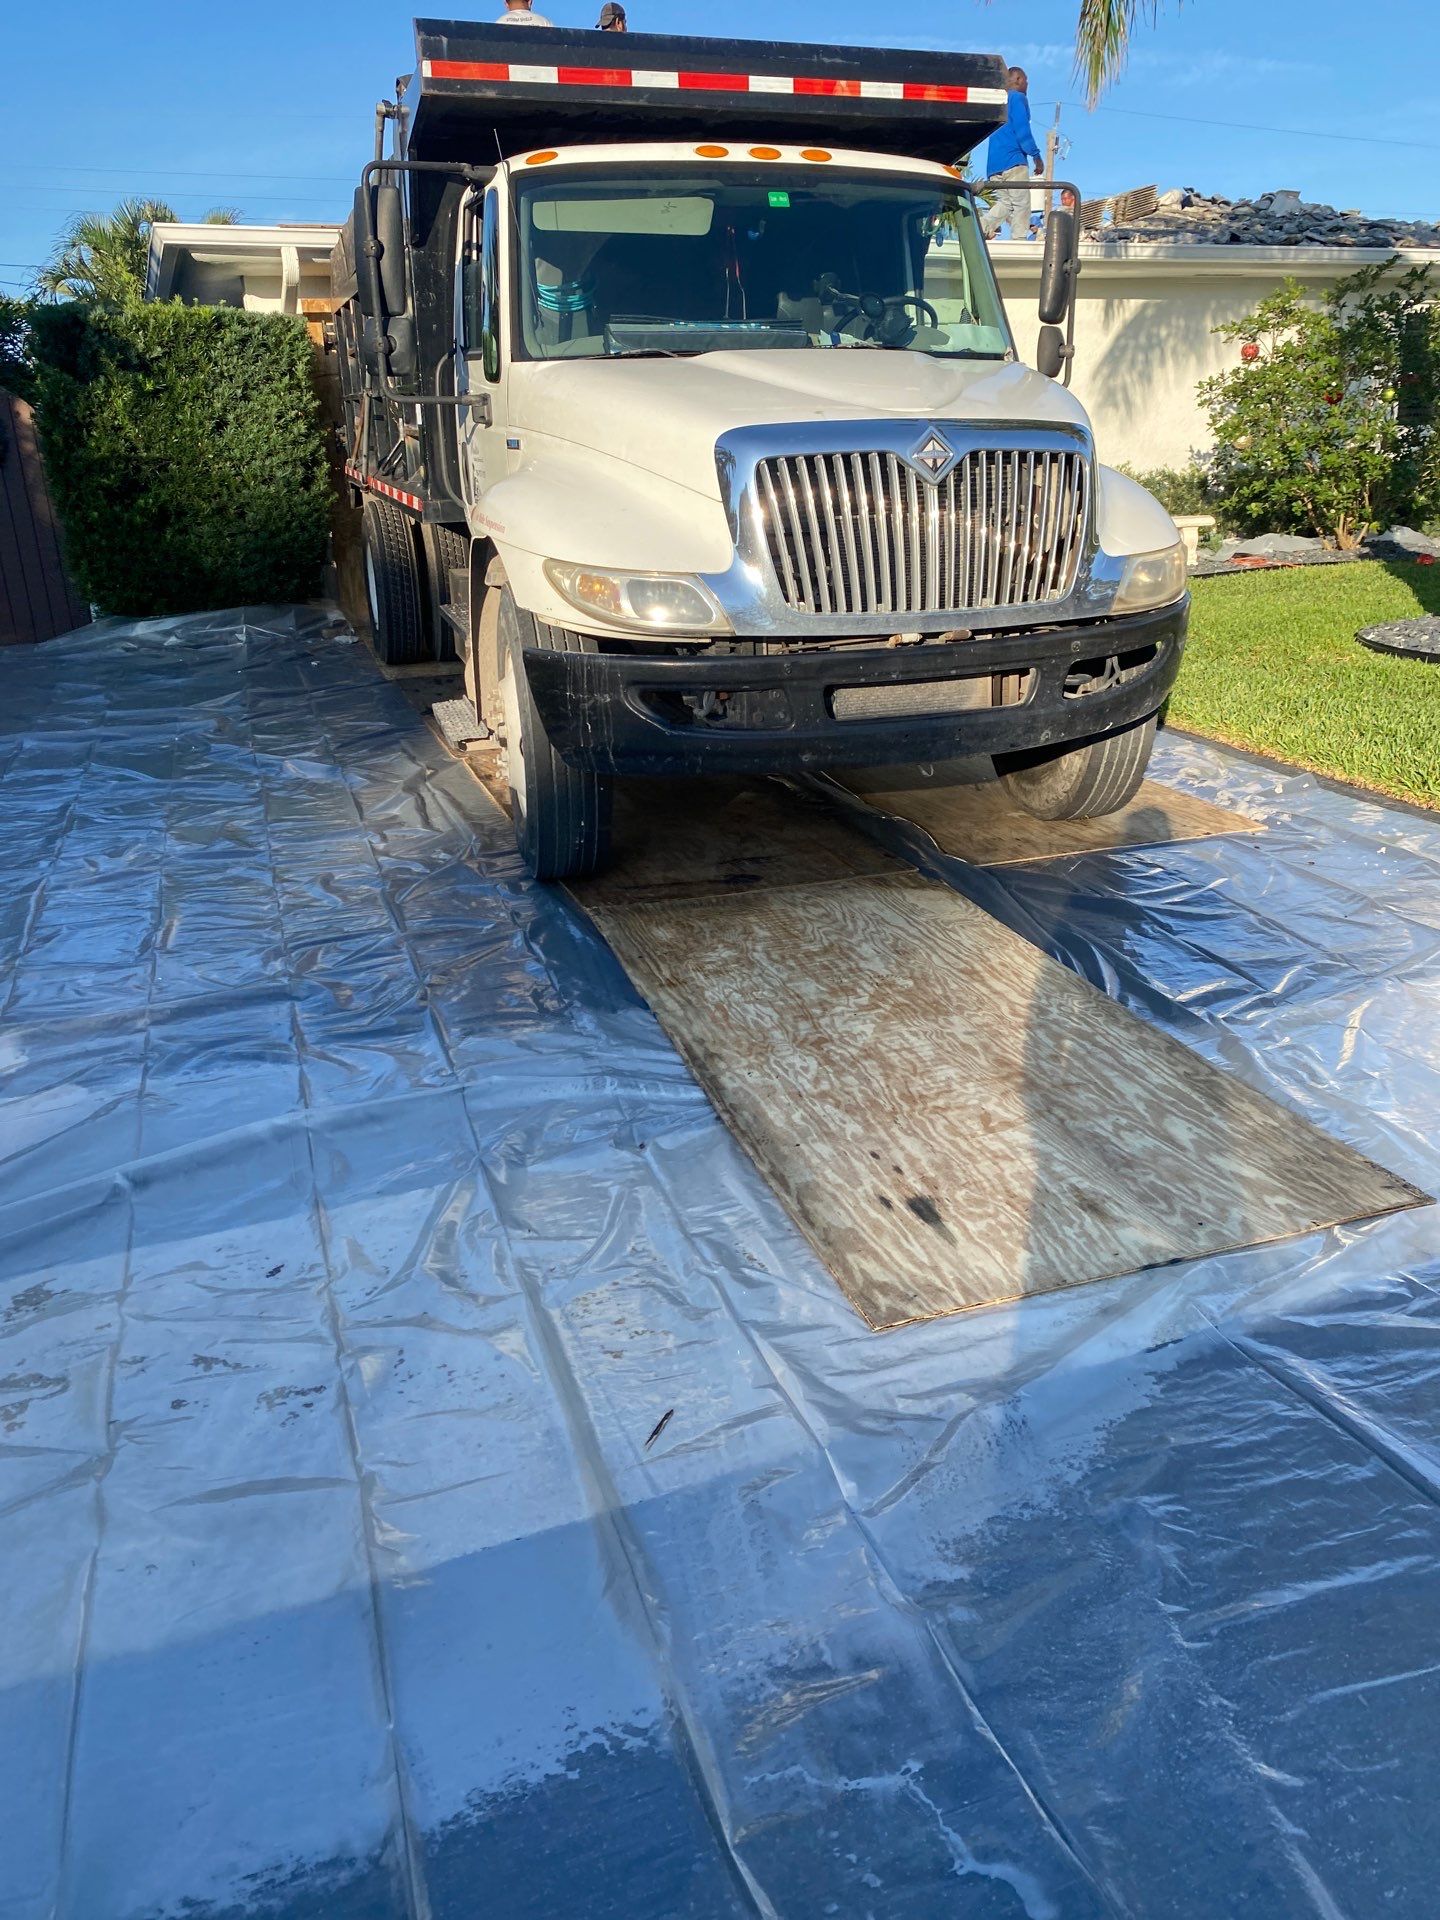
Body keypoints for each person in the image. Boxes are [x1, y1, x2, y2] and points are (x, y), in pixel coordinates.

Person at [982, 66, 1045, 241]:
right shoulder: (1017, 98)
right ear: (1017, 80)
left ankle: (982, 225)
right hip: (1013, 161)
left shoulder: (999, 102)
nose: (1027, 85)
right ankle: (1019, 240)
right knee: (1021, 204)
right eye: (1026, 81)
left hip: (994, 166)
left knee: (1005, 203)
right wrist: (1036, 156)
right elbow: (1022, 130)